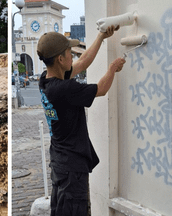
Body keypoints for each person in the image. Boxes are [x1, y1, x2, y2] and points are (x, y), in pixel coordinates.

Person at [37, 25, 125, 216]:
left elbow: (83, 62)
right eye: (70, 52)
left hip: (60, 164)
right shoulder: (65, 89)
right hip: (71, 169)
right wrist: (112, 69)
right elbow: (101, 89)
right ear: (60, 59)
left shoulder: (45, 80)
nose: (73, 56)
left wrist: (101, 37)